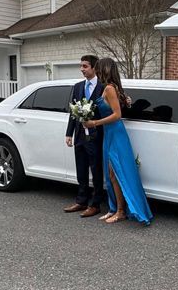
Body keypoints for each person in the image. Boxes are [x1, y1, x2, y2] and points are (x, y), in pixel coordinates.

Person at [83, 58, 153, 225]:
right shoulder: (111, 88)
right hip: (110, 134)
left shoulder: (109, 88)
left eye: (99, 69)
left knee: (116, 173)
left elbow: (117, 115)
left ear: (104, 70)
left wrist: (94, 123)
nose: (97, 72)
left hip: (116, 133)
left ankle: (121, 211)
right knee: (111, 174)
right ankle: (114, 208)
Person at [64, 55, 104, 218]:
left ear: (94, 68)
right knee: (81, 168)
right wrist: (69, 133)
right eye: (81, 66)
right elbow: (73, 112)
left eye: (85, 66)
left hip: (96, 135)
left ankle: (95, 204)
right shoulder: (78, 86)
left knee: (96, 170)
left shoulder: (103, 86)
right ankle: (81, 201)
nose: (82, 69)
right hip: (80, 135)